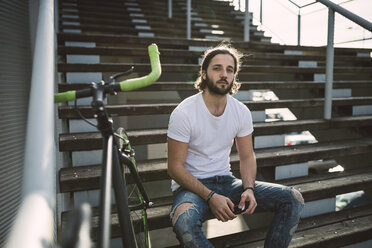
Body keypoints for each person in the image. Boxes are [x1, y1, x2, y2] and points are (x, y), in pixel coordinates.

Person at [167, 43, 305, 248]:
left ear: (233, 76)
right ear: (204, 74)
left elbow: (247, 157)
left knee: (293, 198)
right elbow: (174, 167)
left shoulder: (240, 112)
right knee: (184, 219)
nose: (224, 74)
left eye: (229, 70)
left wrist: (249, 188)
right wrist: (211, 196)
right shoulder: (184, 112)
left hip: (226, 181)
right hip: (191, 189)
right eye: (217, 68)